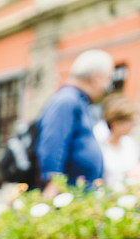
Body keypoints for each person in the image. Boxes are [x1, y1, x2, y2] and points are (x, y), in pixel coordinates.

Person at [36, 49, 114, 191]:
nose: (107, 86)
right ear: (96, 78)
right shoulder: (67, 100)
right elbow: (53, 142)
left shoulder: (80, 101)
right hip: (67, 193)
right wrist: (53, 184)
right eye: (108, 78)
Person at [98, 96, 139, 189]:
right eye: (130, 123)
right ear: (116, 122)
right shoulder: (100, 144)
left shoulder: (130, 144)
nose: (133, 127)